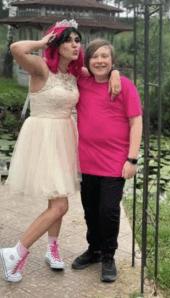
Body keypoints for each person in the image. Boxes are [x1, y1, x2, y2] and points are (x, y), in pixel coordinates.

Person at [0, 20, 120, 283]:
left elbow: (102, 70)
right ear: (56, 43)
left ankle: (52, 249)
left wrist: (115, 72)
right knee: (61, 205)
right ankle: (15, 253)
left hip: (65, 136)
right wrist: (43, 43)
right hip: (43, 137)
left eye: (78, 40)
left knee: (57, 197)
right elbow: (17, 48)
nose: (76, 45)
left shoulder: (74, 74)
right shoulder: (40, 68)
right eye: (69, 40)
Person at [72, 38, 143, 282]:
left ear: (112, 61)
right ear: (88, 61)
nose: (100, 60)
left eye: (105, 56)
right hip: (87, 159)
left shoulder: (124, 85)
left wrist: (132, 159)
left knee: (109, 211)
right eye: (95, 56)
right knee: (90, 210)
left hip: (115, 162)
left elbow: (136, 122)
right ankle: (94, 250)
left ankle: (108, 256)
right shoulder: (82, 81)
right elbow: (66, 62)